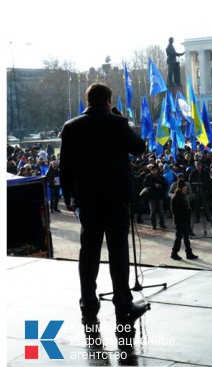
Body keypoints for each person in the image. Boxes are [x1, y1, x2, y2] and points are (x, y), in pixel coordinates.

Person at [59, 83, 149, 325]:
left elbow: (64, 167)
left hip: (87, 200)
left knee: (88, 253)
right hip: (115, 199)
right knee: (118, 252)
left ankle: (88, 305)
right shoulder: (116, 123)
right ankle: (123, 303)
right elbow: (139, 148)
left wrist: (68, 199)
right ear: (108, 101)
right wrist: (121, 119)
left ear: (87, 100)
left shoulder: (71, 127)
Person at [169, 181, 198, 261]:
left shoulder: (183, 195)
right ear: (180, 188)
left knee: (186, 237)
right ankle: (174, 253)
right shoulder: (175, 197)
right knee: (178, 237)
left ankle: (189, 253)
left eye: (186, 188)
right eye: (184, 188)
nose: (186, 190)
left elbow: (185, 206)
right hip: (179, 220)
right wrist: (185, 212)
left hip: (185, 220)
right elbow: (174, 211)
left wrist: (188, 209)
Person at [143, 164, 167, 229]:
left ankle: (162, 224)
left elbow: (165, 185)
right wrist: (153, 185)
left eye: (155, 170)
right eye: (153, 170)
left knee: (161, 211)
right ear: (151, 170)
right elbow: (145, 183)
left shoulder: (161, 177)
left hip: (159, 196)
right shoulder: (148, 176)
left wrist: (160, 186)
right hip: (151, 196)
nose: (154, 171)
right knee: (153, 212)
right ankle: (154, 225)